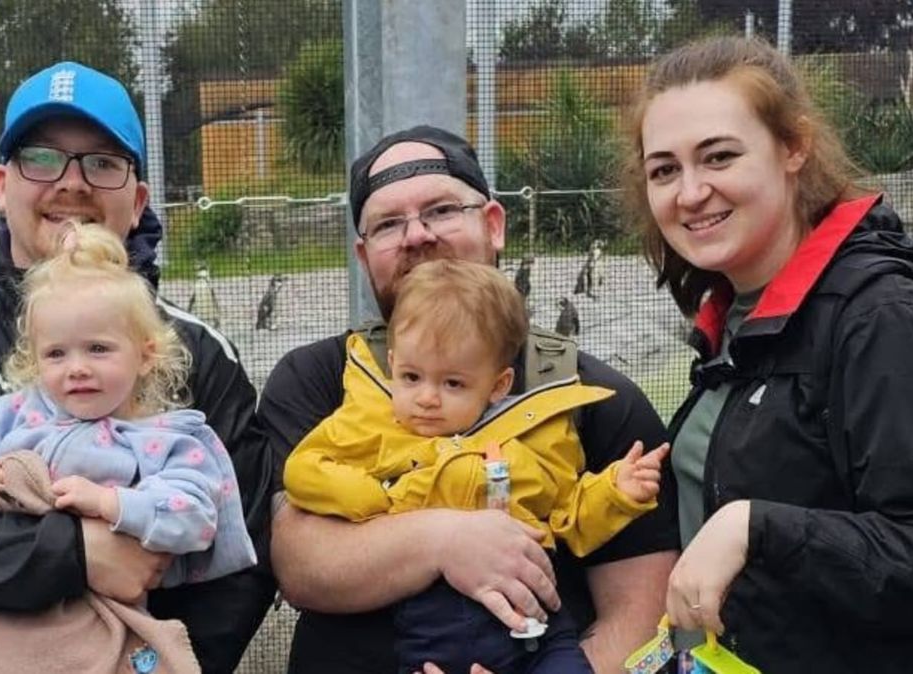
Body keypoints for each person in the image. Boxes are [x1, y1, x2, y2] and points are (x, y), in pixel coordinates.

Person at [0, 61, 276, 674]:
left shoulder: (201, 353)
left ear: (139, 197)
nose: (71, 184)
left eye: (102, 162)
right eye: (41, 159)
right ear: (0, 184)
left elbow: (241, 557)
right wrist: (75, 551)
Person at [260, 125, 679, 674]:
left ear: (493, 225)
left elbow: (642, 613)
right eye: (388, 223)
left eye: (440, 210)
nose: (416, 235)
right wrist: (443, 539)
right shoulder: (317, 378)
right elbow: (299, 564)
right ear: (364, 257)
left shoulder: (589, 395)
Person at [623, 36, 913, 673]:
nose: (691, 192)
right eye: (664, 169)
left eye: (719, 156)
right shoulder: (733, 316)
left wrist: (755, 527)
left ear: (793, 147)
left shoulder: (879, 316)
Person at [284, 258, 669, 673]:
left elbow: (566, 520)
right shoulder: (371, 430)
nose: (428, 397)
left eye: (452, 384)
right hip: (434, 629)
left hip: (537, 626)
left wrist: (615, 491)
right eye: (411, 377)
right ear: (393, 365)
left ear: (498, 385)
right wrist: (369, 498)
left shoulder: (528, 445)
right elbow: (305, 469)